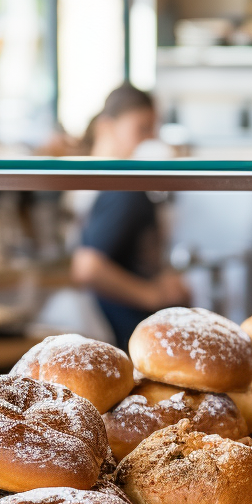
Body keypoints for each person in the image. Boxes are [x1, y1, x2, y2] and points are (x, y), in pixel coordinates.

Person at [70, 85, 189, 344]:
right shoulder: (124, 188)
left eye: (153, 130)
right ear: (106, 127)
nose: (150, 140)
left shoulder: (116, 183)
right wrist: (151, 295)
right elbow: (87, 267)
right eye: (141, 129)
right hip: (126, 332)